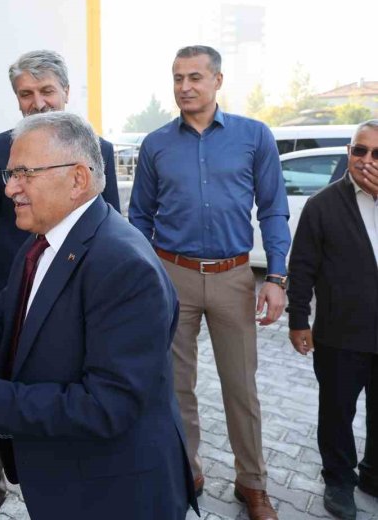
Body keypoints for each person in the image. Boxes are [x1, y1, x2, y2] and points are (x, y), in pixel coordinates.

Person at [0, 111, 197, 520]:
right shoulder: (43, 241)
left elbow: (108, 404)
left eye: (24, 173)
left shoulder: (123, 265)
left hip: (114, 493)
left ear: (78, 179)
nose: (11, 188)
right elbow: (3, 314)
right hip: (67, 480)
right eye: (9, 174)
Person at [129, 45, 290, 520]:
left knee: (240, 386)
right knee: (176, 385)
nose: (185, 87)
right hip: (171, 275)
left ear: (218, 80)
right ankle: (186, 468)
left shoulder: (253, 136)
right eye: (178, 77)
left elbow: (274, 209)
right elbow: (139, 216)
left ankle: (252, 483)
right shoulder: (156, 144)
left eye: (195, 77)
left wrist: (276, 277)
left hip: (233, 276)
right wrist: (146, 274)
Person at [0, 49, 121, 519]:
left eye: (46, 91)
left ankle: (48, 488)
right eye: (26, 94)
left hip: (64, 309)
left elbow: (107, 226)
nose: (37, 103)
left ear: (66, 94)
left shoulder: (99, 151)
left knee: (45, 402)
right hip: (6, 305)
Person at [286, 120, 378, 520]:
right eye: (360, 151)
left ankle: (373, 475)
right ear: (348, 151)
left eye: (377, 154)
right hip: (341, 333)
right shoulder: (322, 204)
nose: (367, 160)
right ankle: (338, 479)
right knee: (337, 411)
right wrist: (298, 319)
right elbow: (302, 267)